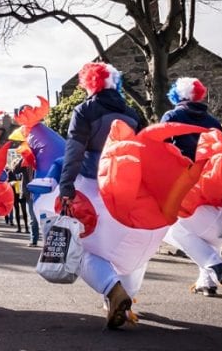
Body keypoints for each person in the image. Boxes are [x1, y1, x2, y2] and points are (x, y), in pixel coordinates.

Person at [58, 62, 142, 329]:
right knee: (124, 246)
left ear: (90, 83)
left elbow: (74, 150)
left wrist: (66, 186)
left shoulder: (85, 110)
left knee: (83, 245)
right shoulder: (131, 113)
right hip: (127, 187)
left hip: (92, 185)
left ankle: (113, 290)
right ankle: (122, 299)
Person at [161, 78, 222, 296]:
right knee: (209, 236)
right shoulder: (213, 122)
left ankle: (217, 267)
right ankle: (206, 282)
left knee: (172, 228)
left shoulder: (172, 117)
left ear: (177, 97)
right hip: (217, 189)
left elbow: (161, 149)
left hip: (186, 187)